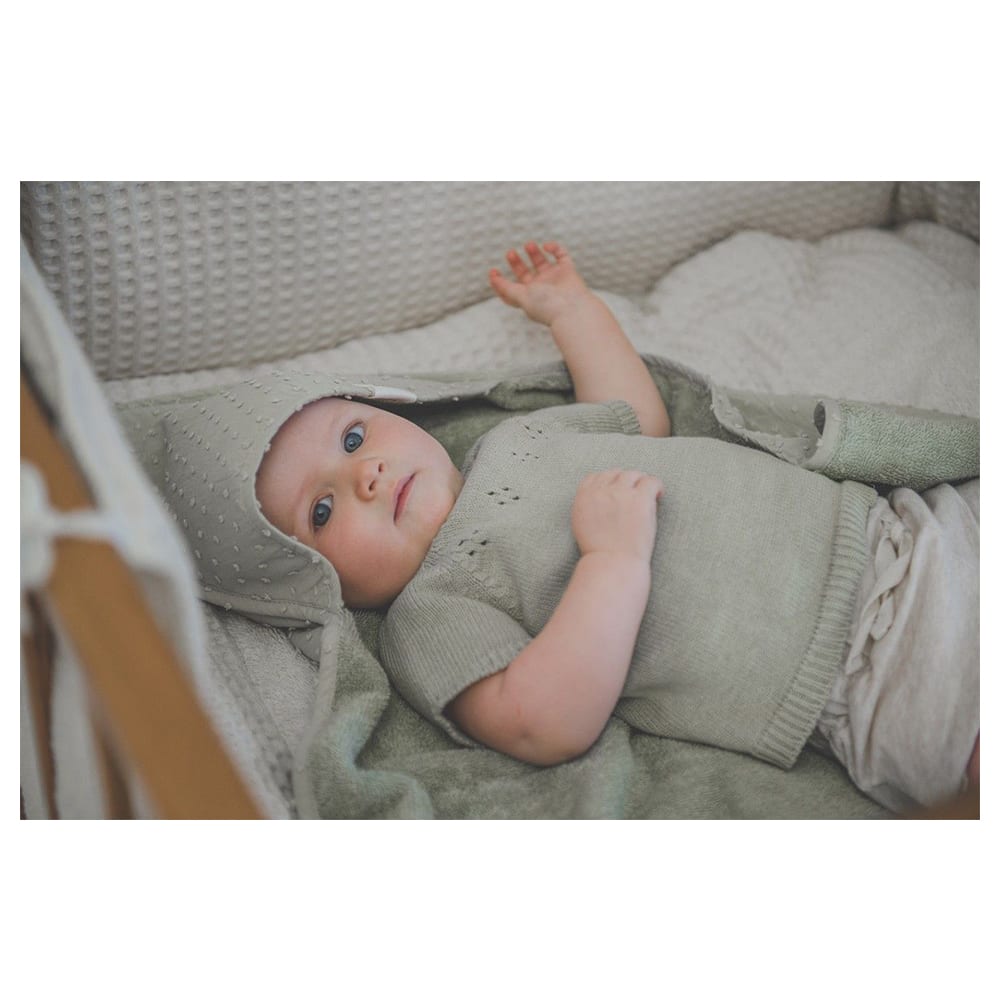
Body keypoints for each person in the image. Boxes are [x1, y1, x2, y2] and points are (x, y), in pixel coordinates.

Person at [249, 242, 978, 813]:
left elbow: (637, 420)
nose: (366, 475)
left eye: (353, 439)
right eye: (322, 510)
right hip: (865, 664)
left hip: (904, 528)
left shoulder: (512, 438)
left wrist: (574, 313)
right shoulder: (430, 611)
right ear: (316, 580)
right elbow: (540, 719)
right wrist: (613, 562)